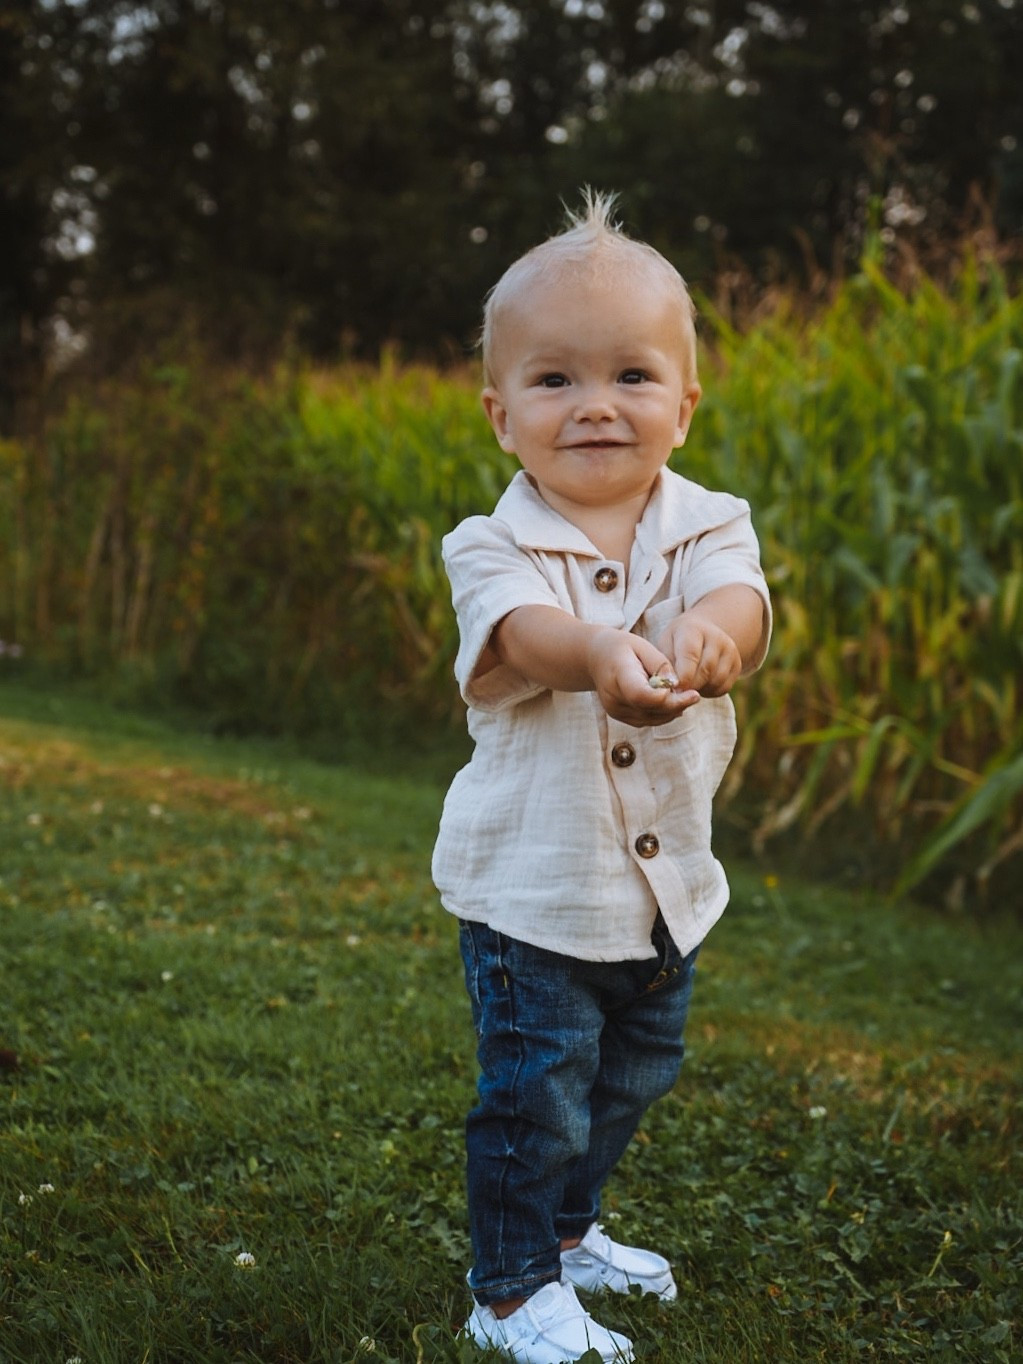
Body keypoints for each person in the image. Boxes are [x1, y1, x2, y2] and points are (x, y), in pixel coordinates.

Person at [432, 190, 771, 1364]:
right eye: (554, 379)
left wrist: (715, 637)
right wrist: (598, 656)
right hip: (535, 895)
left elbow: (741, 602)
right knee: (538, 1095)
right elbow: (524, 634)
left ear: (685, 403)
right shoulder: (490, 543)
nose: (594, 404)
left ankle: (570, 1233)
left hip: (666, 891)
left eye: (632, 374)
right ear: (501, 415)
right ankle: (510, 1287)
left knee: (632, 1076)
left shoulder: (710, 520)